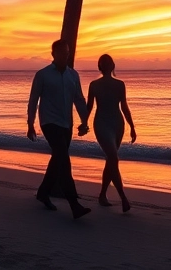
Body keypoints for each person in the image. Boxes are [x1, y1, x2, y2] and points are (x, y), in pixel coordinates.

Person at [26, 39, 92, 219]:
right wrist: (30, 123)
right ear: (53, 54)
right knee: (64, 159)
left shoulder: (73, 75)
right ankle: (74, 204)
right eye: (62, 52)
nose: (66, 55)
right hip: (49, 122)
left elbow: (79, 99)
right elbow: (34, 100)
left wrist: (84, 121)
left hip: (66, 124)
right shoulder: (43, 75)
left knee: (57, 160)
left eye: (68, 52)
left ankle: (43, 192)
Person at [84, 53, 137, 212]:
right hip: (102, 124)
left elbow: (124, 107)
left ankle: (102, 196)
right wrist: (84, 123)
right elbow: (89, 107)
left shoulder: (120, 84)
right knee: (114, 157)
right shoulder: (94, 85)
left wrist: (132, 126)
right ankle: (123, 197)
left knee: (111, 160)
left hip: (117, 124)